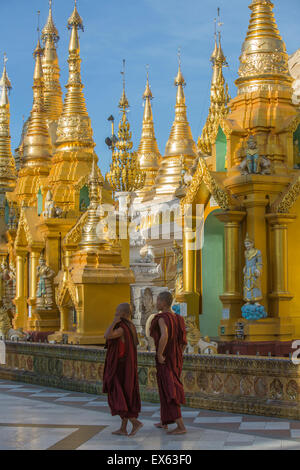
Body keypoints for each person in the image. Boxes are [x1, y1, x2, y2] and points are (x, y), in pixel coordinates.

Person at [150, 291, 187, 435]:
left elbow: (164, 335)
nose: (156, 303)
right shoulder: (179, 318)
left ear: (164, 303)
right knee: (165, 388)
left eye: (158, 300)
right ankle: (164, 421)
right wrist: (177, 354)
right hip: (176, 358)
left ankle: (181, 426)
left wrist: (160, 354)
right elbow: (184, 342)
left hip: (165, 358)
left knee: (170, 390)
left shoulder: (161, 318)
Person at [103, 303, 142, 437]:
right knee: (125, 396)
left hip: (120, 368)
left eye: (117, 312)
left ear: (124, 314)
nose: (115, 314)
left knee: (118, 396)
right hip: (128, 366)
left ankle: (135, 422)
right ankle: (123, 428)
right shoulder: (131, 326)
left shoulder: (121, 328)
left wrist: (114, 322)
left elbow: (107, 335)